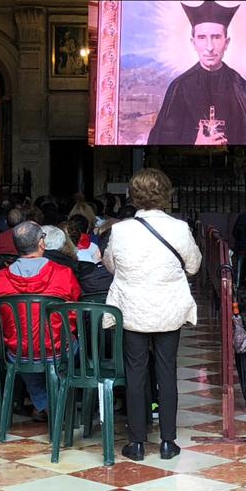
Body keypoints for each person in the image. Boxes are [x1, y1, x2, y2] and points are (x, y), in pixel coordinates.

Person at [104, 168, 201, 460]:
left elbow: (111, 265)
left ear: (133, 195)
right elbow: (194, 266)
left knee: (135, 373)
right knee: (166, 371)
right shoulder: (179, 228)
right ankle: (168, 442)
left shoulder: (120, 230)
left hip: (133, 309)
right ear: (166, 195)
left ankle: (135, 443)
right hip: (168, 308)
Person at [0, 222, 81, 422]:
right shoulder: (63, 274)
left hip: (19, 352)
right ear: (42, 244)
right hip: (58, 350)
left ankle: (44, 404)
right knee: (77, 345)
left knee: (25, 351)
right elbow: (73, 314)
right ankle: (59, 402)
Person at [148, 1, 246, 146]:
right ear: (193, 43)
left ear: (227, 42)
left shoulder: (242, 88)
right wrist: (193, 144)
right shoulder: (179, 87)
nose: (209, 47)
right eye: (202, 37)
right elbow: (160, 142)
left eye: (216, 37)